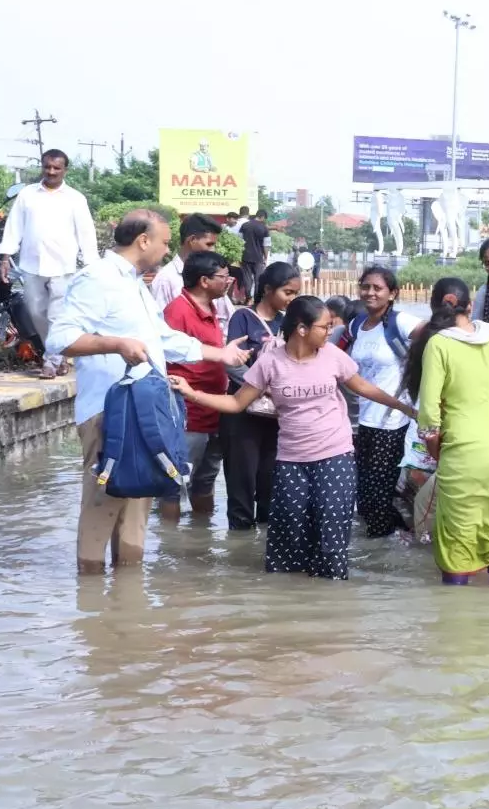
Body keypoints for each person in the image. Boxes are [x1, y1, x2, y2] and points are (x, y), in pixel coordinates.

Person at [44, 210, 249, 575]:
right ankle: (90, 595)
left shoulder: (137, 283)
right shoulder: (97, 278)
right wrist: (117, 343)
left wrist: (221, 353)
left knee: (137, 505)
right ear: (143, 240)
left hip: (145, 408)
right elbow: (60, 339)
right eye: (165, 241)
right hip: (109, 409)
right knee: (102, 502)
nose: (168, 249)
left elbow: (163, 339)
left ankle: (128, 602)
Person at [171, 296, 414, 580]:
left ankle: (331, 599)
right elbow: (237, 403)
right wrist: (192, 393)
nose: (330, 331)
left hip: (335, 454)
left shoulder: (333, 355)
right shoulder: (270, 362)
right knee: (288, 537)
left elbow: (363, 388)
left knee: (331, 533)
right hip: (291, 460)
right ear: (302, 328)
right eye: (324, 326)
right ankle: (287, 605)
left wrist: (406, 408)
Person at [410, 277, 489, 584]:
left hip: (466, 455)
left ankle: (455, 622)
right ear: (470, 304)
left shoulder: (438, 343)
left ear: (435, 305)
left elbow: (428, 414)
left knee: (456, 545)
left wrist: (434, 448)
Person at [0, 149, 97, 380]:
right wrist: (5, 257)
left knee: (56, 316)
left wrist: (92, 265)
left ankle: (50, 361)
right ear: (42, 167)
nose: (51, 172)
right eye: (47, 167)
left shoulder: (75, 198)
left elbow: (86, 234)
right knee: (36, 313)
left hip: (64, 266)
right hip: (32, 265)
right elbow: (14, 226)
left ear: (65, 170)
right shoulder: (27, 195)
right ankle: (60, 354)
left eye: (56, 168)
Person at [340, 266, 422, 538]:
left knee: (376, 497)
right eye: (365, 287)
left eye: (377, 288)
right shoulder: (356, 325)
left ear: (392, 293)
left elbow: (437, 338)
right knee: (364, 498)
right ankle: (392, 543)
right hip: (362, 421)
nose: (370, 293)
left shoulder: (401, 322)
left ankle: (390, 548)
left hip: (393, 422)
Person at [222, 262, 301, 530]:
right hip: (243, 411)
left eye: (295, 294)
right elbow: (233, 362)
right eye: (287, 292)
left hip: (276, 414)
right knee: (241, 479)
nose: (292, 299)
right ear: (268, 289)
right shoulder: (242, 318)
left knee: (272, 478)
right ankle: (240, 539)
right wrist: (260, 386)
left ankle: (268, 542)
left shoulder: (288, 323)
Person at [157, 250, 235, 520]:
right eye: (224, 277)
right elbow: (164, 356)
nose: (229, 282)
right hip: (187, 414)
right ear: (204, 280)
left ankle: (201, 541)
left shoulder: (211, 307)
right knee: (174, 484)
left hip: (213, 410)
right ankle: (170, 548)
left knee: (206, 480)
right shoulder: (177, 311)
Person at [149, 213, 231, 323]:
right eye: (209, 244)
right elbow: (160, 325)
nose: (213, 250)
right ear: (192, 240)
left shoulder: (214, 275)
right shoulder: (166, 279)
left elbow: (228, 318)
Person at [238, 208, 271, 304]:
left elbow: (239, 241)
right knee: (258, 279)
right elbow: (266, 245)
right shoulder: (264, 228)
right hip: (258, 258)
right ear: (263, 217)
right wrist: (266, 257)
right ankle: (257, 300)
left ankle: (248, 297)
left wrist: (240, 255)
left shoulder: (245, 225)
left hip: (245, 256)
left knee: (247, 278)